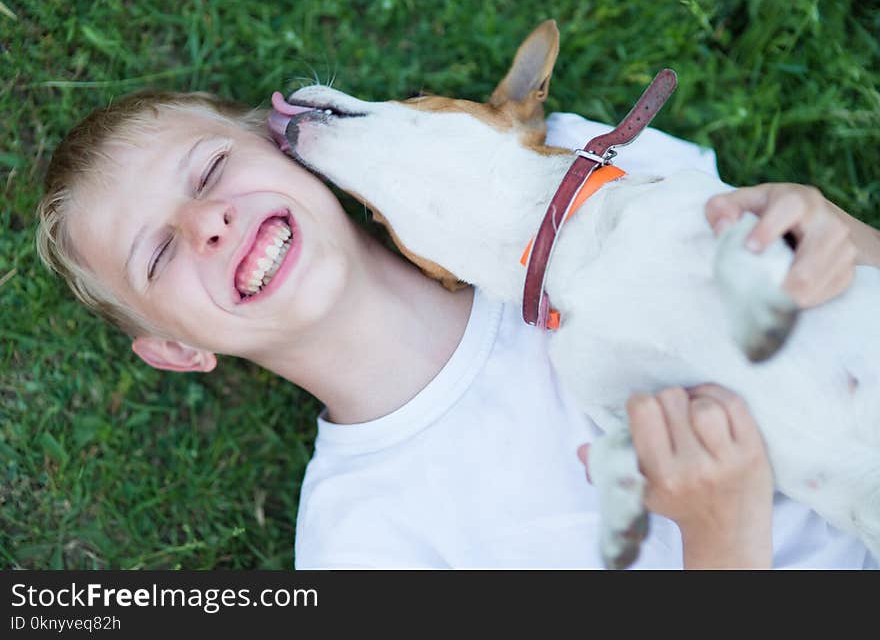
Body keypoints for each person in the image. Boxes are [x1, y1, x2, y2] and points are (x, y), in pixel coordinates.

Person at [37, 90, 880, 569]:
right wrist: (722, 536)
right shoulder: (364, 545)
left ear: (283, 146)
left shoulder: (551, 166)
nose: (207, 225)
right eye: (157, 256)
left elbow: (840, 279)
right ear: (179, 351)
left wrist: (842, 236)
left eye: (212, 170)